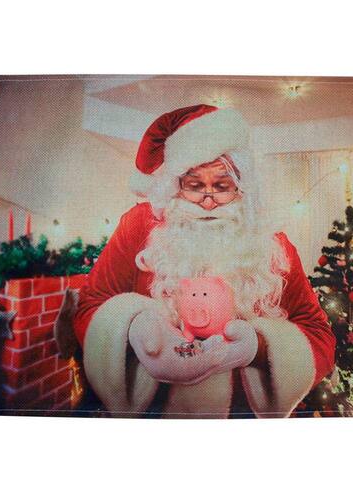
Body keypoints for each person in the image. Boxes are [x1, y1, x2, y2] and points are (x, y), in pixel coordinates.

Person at [73, 104, 335, 418]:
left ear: (241, 186)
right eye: (194, 185)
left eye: (222, 185)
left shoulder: (272, 243)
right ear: (175, 185)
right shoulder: (139, 225)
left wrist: (257, 348)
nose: (208, 201)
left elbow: (319, 335)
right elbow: (90, 305)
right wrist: (135, 330)